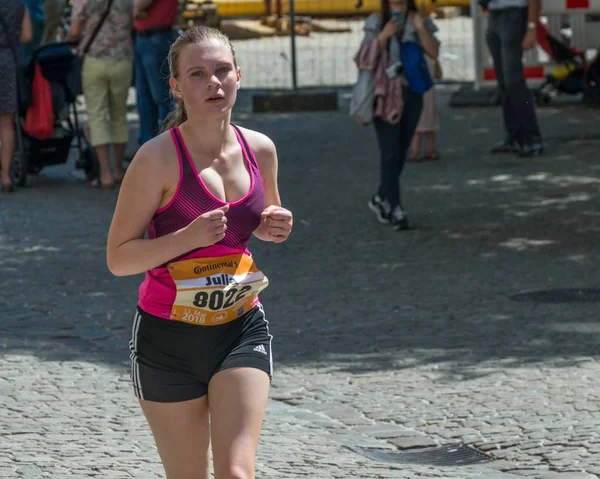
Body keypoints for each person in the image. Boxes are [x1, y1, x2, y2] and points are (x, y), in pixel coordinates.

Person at [106, 26, 293, 479]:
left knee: (235, 472)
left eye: (223, 70)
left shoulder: (260, 149)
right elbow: (119, 258)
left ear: (238, 76)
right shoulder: (155, 160)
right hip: (166, 338)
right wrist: (185, 239)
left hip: (240, 326)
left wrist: (273, 227)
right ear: (174, 86)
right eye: (198, 74)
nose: (214, 83)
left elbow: (260, 220)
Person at [361, 0, 440, 230]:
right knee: (389, 152)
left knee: (401, 151)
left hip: (412, 92)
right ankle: (396, 208)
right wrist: (383, 37)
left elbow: (434, 52)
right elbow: (363, 58)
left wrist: (420, 28)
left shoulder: (419, 20)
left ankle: (380, 197)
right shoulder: (376, 21)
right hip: (384, 94)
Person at [70, 0, 134, 188]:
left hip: (94, 60)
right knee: (119, 115)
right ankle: (117, 171)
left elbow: (74, 31)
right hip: (122, 59)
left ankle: (105, 174)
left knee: (97, 116)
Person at [486, 0, 543, 157]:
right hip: (494, 14)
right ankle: (514, 135)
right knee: (503, 80)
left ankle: (532, 137)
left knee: (513, 80)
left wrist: (531, 27)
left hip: (514, 14)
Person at [132, 0, 178, 146]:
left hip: (156, 37)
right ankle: (149, 148)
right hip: (145, 37)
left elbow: (138, 5)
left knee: (161, 97)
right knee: (144, 98)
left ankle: (168, 146)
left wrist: (132, 10)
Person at [0, 0, 32, 193]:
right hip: (8, 62)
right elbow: (28, 35)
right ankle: (5, 176)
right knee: (6, 123)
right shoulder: (20, 5)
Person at [409, 55, 441, 162]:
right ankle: (431, 150)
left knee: (416, 126)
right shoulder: (432, 56)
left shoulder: (413, 55)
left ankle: (415, 152)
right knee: (430, 125)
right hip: (429, 93)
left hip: (417, 92)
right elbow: (438, 74)